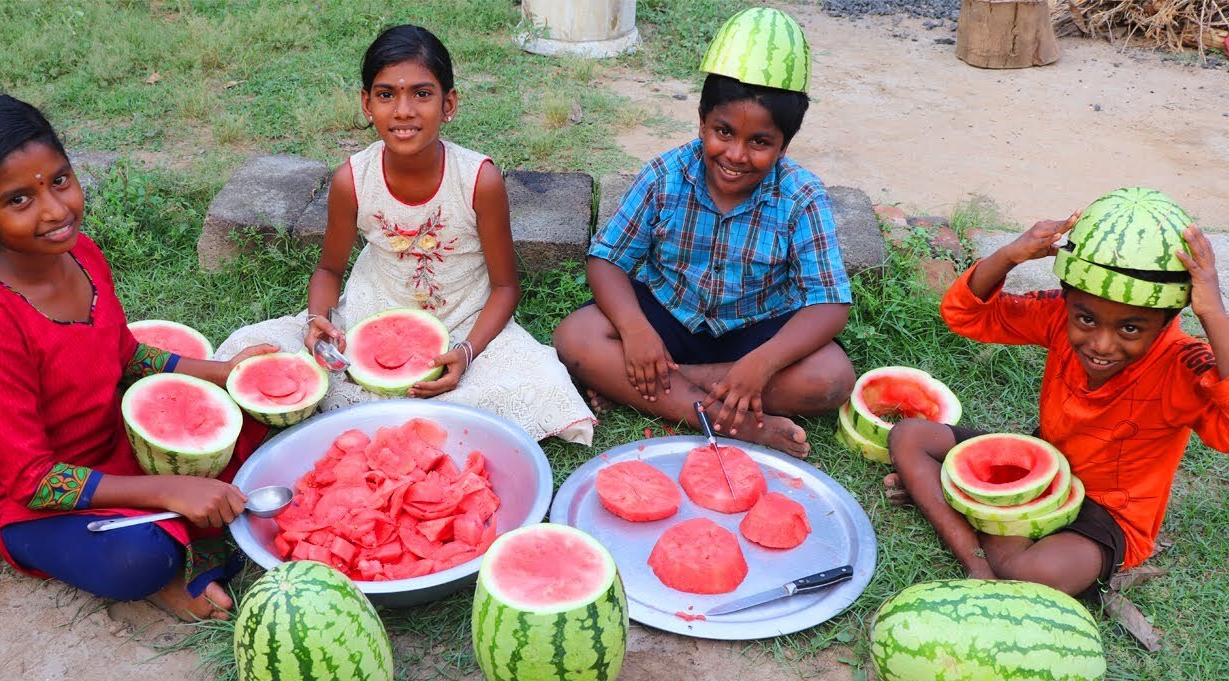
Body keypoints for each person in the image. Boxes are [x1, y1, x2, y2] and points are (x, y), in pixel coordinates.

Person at [0, 94, 276, 619]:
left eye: (58, 180)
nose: (55, 210)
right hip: (27, 498)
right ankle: (165, 579)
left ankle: (182, 524)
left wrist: (226, 374)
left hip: (114, 445)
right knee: (138, 558)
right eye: (18, 200)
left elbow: (123, 355)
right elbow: (34, 480)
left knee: (264, 426)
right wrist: (171, 489)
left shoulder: (81, 253)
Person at [217, 24, 593, 444]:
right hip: (367, 320)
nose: (403, 110)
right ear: (366, 104)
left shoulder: (479, 180)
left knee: (541, 379)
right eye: (385, 94)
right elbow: (327, 269)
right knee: (252, 347)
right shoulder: (352, 180)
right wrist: (318, 321)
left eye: (422, 93)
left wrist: (466, 353)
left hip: (464, 322)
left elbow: (505, 287)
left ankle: (407, 405)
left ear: (449, 104)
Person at [884, 203, 1229, 598]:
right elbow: (966, 315)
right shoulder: (1056, 313)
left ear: (1169, 319)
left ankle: (956, 502)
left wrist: (1213, 313)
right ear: (1068, 302)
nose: (1101, 344)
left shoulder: (1185, 365)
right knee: (909, 436)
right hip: (1041, 473)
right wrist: (1010, 255)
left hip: (1108, 515)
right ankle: (978, 566)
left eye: (1130, 328)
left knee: (1034, 573)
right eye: (1086, 320)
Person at [552, 8, 854, 458]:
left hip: (756, 331)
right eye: (723, 132)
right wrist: (635, 331)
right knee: (574, 337)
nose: (735, 154)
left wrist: (760, 363)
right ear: (701, 122)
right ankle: (723, 418)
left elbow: (829, 304)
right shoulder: (664, 175)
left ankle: (656, 384)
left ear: (784, 145)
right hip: (667, 315)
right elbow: (606, 260)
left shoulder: (802, 195)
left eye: (760, 142)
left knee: (831, 378)